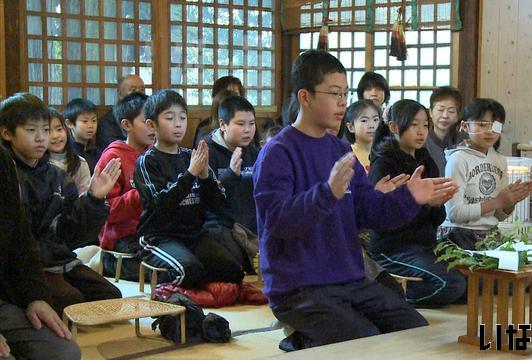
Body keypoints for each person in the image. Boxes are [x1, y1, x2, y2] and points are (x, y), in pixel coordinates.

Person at [253, 50, 458, 350]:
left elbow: (370, 212)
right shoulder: (277, 153)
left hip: (349, 280)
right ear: (305, 97)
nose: (342, 103)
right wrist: (327, 193)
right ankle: (301, 343)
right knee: (364, 342)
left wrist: (410, 197)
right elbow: (277, 222)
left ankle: (310, 339)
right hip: (299, 288)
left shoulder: (338, 150)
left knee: (414, 330)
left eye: (345, 93)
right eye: (334, 93)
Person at [0, 92, 122, 315]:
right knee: (71, 301)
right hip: (27, 265)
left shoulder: (57, 176)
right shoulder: (7, 176)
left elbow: (72, 233)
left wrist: (94, 199)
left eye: (45, 130)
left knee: (110, 298)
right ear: (6, 133)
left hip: (60, 259)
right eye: (31, 130)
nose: (41, 138)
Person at [134, 90, 245, 289]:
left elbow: (218, 203)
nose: (178, 124)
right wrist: (191, 174)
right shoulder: (146, 161)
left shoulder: (190, 156)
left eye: (182, 118)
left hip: (194, 235)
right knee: (189, 271)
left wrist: (204, 177)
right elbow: (161, 204)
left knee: (234, 271)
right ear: (152, 125)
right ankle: (166, 287)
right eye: (170, 118)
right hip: (159, 237)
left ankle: (197, 284)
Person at [368, 99, 465, 308]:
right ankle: (390, 293)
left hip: (425, 243)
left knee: (474, 278)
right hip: (393, 248)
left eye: (425, 125)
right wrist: (419, 203)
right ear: (393, 127)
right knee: (452, 285)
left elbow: (436, 220)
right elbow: (383, 221)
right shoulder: (384, 162)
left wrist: (435, 205)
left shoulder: (425, 159)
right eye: (414, 125)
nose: (421, 131)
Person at [0, 144, 81, 360]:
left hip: (4, 302)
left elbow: (19, 241)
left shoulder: (3, 161)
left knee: (64, 352)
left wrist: (35, 297)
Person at [439, 98, 532, 249]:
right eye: (482, 124)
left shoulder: (499, 160)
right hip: (459, 235)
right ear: (465, 126)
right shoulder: (458, 159)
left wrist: (510, 202)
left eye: (496, 125)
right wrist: (498, 202)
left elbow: (497, 216)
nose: (490, 131)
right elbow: (455, 214)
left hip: (491, 234)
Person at [97, 92, 155, 281]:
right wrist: (142, 194)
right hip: (122, 241)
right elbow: (107, 210)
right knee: (156, 273)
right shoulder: (113, 157)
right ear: (126, 125)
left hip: (151, 234)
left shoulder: (155, 154)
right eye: (146, 121)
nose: (152, 127)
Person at [204, 95, 260, 273]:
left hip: (251, 225)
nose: (248, 130)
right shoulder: (206, 151)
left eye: (251, 124)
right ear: (223, 124)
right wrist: (230, 175)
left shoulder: (253, 152)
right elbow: (206, 198)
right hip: (220, 226)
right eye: (240, 124)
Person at [426, 86, 467, 176]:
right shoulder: (421, 142)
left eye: (451, 111)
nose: (445, 115)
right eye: (440, 110)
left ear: (458, 115)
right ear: (430, 112)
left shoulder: (467, 142)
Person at [48, 107, 91, 194]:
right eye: (48, 131)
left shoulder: (79, 162)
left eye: (59, 129)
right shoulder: (37, 164)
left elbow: (85, 196)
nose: (55, 136)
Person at [97, 74, 146, 150]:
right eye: (133, 90)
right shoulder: (108, 121)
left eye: (142, 90)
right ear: (120, 95)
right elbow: (113, 148)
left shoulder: (150, 114)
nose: (138, 93)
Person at [343, 99, 381, 173]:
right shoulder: (347, 155)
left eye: (375, 120)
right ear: (351, 127)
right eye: (364, 120)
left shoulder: (383, 153)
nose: (372, 125)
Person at [64, 98, 101, 173]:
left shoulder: (97, 151)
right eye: (85, 121)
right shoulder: (65, 150)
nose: (90, 125)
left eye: (94, 120)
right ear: (69, 123)